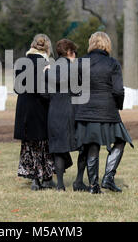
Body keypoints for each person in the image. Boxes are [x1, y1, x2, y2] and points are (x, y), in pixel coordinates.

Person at [75, 32, 134, 194]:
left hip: (85, 110)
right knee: (121, 141)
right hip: (107, 109)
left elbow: (74, 88)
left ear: (91, 44)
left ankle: (94, 186)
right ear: (107, 45)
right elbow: (118, 90)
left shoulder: (80, 62)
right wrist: (118, 106)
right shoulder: (112, 63)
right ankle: (108, 178)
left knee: (92, 145)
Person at [14, 34, 56, 191]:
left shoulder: (21, 63)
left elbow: (17, 88)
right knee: (43, 142)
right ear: (47, 48)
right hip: (40, 106)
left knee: (30, 143)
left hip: (25, 107)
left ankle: (34, 178)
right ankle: (45, 177)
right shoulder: (46, 64)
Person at [44, 39, 84, 191]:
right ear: (69, 52)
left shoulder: (49, 70)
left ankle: (60, 184)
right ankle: (79, 180)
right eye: (75, 52)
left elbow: (44, 94)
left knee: (59, 149)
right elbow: (79, 91)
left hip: (54, 111)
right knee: (83, 147)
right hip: (73, 111)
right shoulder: (75, 69)